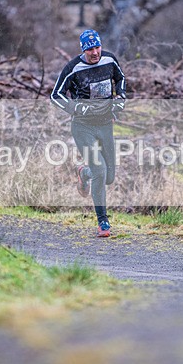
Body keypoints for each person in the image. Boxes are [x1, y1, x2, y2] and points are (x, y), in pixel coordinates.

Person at [51, 29, 126, 237]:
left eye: (97, 47)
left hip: (105, 124)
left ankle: (84, 173)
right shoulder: (73, 68)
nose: (94, 52)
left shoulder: (110, 60)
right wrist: (75, 108)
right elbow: (55, 95)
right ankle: (103, 222)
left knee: (109, 177)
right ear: (83, 50)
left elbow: (120, 79)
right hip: (83, 127)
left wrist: (120, 97)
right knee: (100, 171)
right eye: (90, 49)